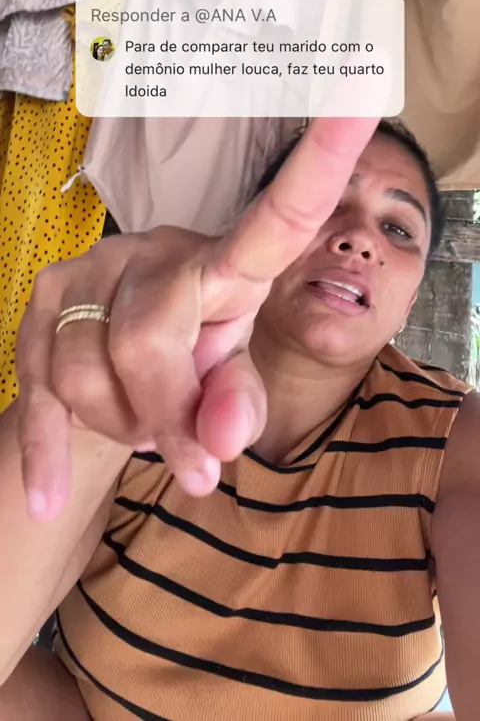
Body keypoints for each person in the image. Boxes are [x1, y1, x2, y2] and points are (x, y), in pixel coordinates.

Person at [0, 116, 475, 721]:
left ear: (409, 303)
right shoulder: (147, 383)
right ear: (251, 229)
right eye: (329, 202)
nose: (360, 239)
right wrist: (87, 421)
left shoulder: (453, 439)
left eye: (398, 228)